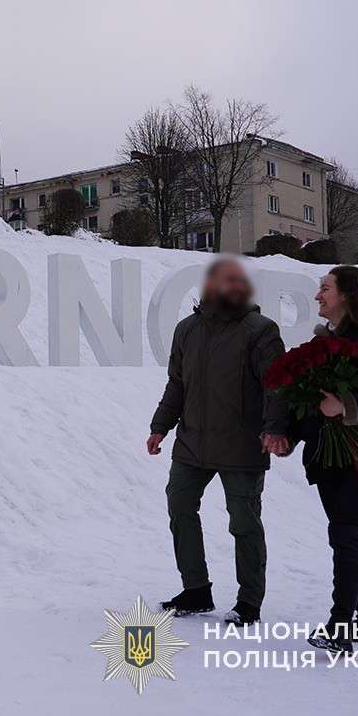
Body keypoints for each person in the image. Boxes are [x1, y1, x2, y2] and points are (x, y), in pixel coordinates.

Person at [148, 258, 289, 626]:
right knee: (179, 506)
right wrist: (160, 425)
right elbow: (177, 384)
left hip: (242, 443)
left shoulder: (261, 330)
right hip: (192, 441)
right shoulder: (186, 330)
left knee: (243, 522)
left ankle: (249, 602)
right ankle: (196, 589)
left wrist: (273, 427)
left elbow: (277, 385)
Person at [278, 266, 358, 655]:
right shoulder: (325, 343)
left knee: (346, 532)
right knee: (350, 535)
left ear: (347, 294)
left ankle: (339, 628)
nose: (318, 295)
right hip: (329, 457)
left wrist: (346, 405)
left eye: (325, 288)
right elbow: (311, 403)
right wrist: (290, 437)